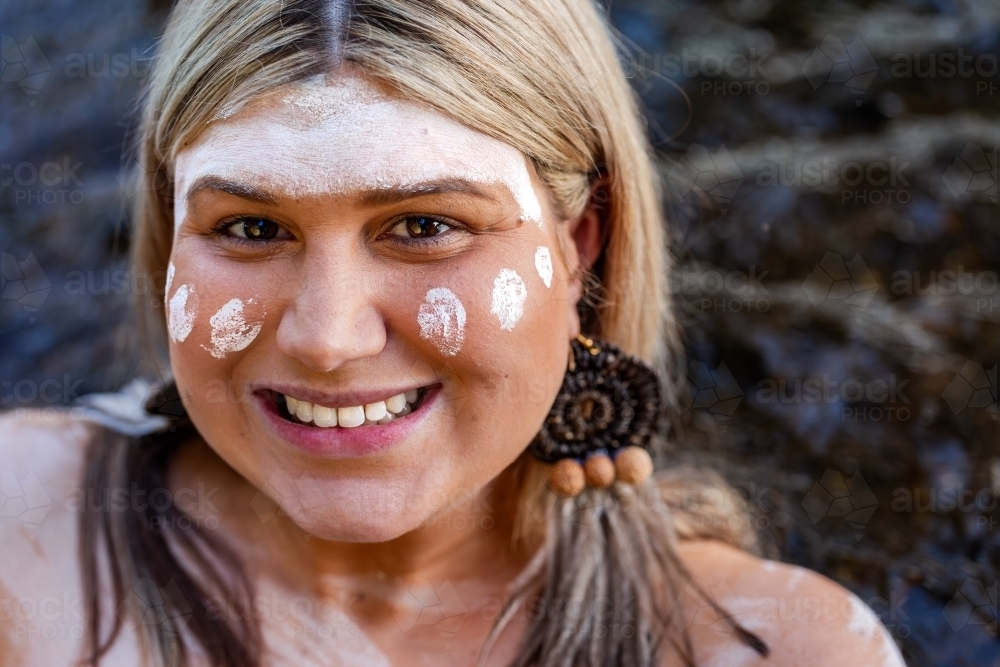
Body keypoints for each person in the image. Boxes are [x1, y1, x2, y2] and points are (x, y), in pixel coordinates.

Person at [0, 0, 907, 665]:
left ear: (579, 242)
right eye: (249, 228)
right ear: (169, 245)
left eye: (426, 225)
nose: (328, 338)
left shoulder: (775, 646)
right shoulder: (23, 540)